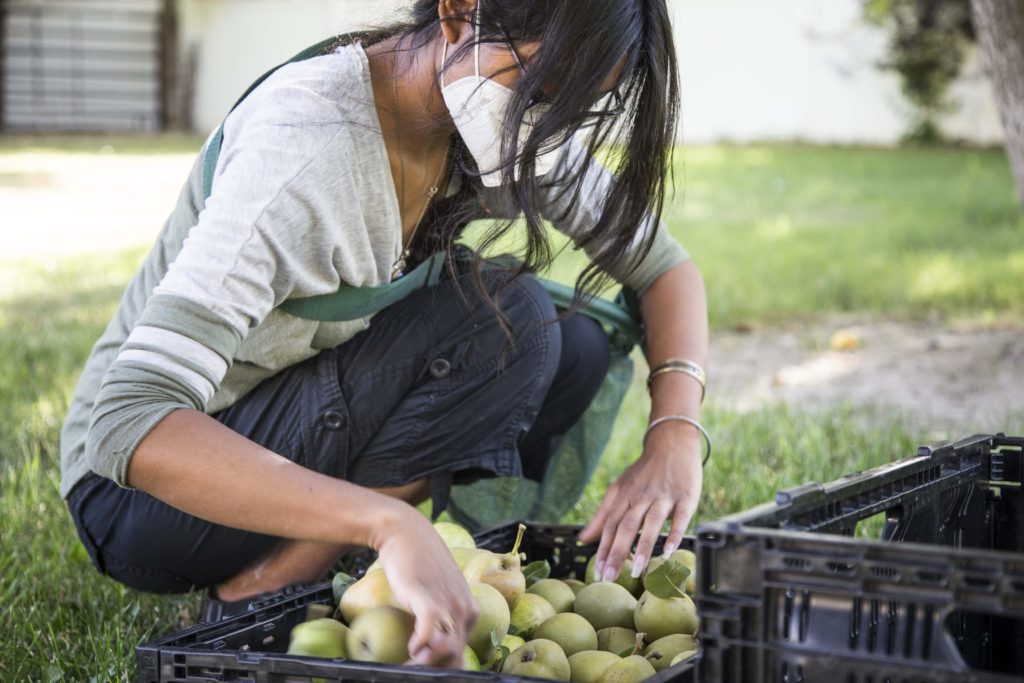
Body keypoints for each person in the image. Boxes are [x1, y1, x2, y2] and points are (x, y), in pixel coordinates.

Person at [60, 0, 708, 668]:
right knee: (505, 318)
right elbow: (129, 422)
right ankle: (260, 591)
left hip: (283, 426)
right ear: (460, 12)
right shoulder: (305, 150)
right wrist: (386, 520)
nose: (550, 126)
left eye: (575, 106)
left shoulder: (491, 110)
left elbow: (664, 268)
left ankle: (321, 552)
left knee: (574, 349)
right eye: (544, 90)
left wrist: (675, 430)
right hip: (145, 503)